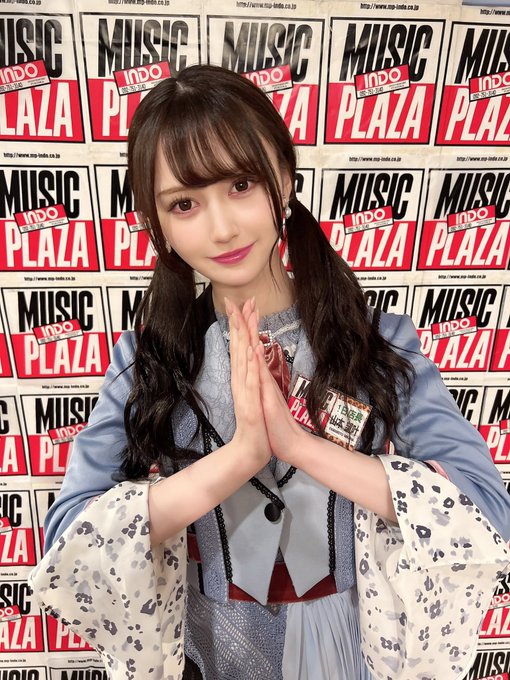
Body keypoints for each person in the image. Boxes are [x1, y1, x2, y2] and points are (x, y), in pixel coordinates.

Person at [35, 64, 510, 680]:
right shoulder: (146, 360)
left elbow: (484, 507)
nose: (222, 228)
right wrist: (240, 457)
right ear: (158, 224)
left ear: (283, 178)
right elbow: (70, 540)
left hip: (347, 642)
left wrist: (299, 447)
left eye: (241, 184)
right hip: (211, 644)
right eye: (185, 204)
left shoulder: (378, 342)